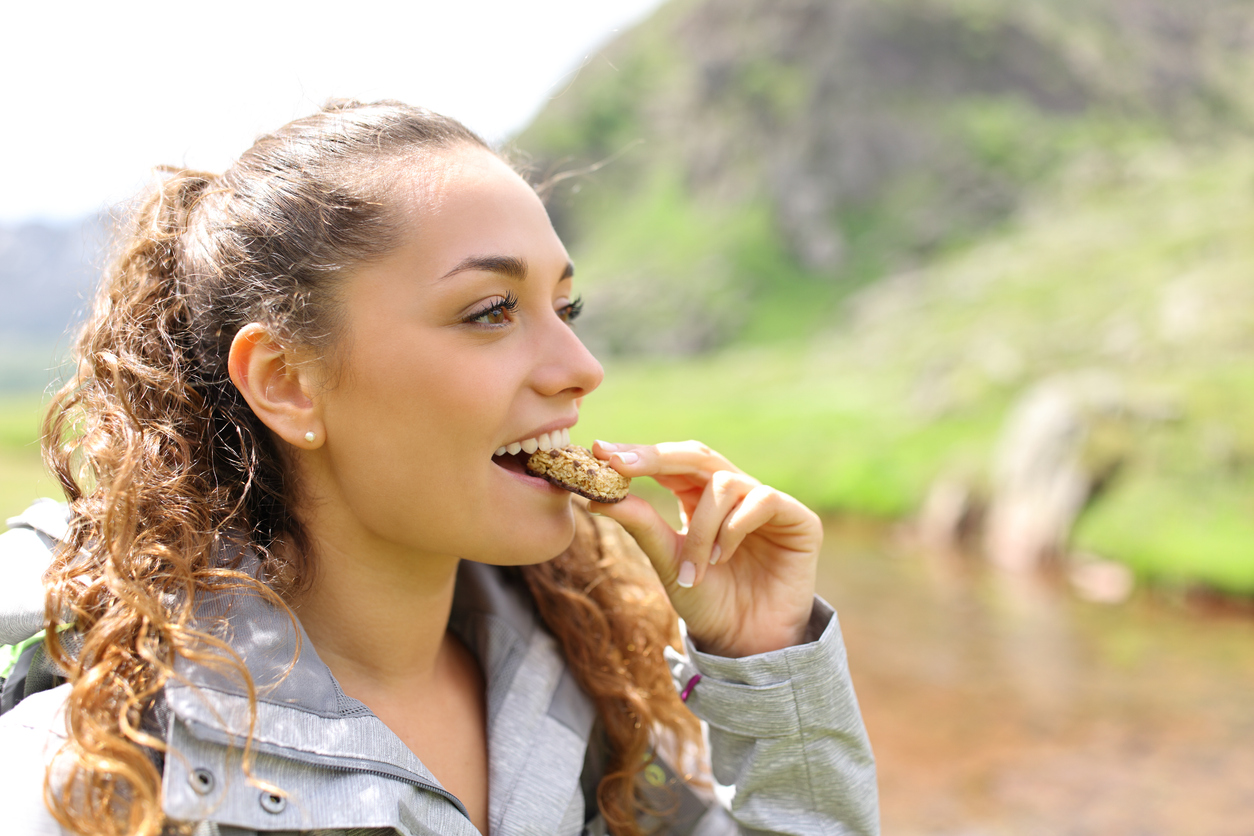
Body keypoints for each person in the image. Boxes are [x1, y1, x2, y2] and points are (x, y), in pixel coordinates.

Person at [0, 100, 878, 836]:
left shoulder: (593, 682)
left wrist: (765, 669)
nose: (581, 366)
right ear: (287, 384)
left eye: (566, 306)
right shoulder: (89, 772)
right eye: (492, 311)